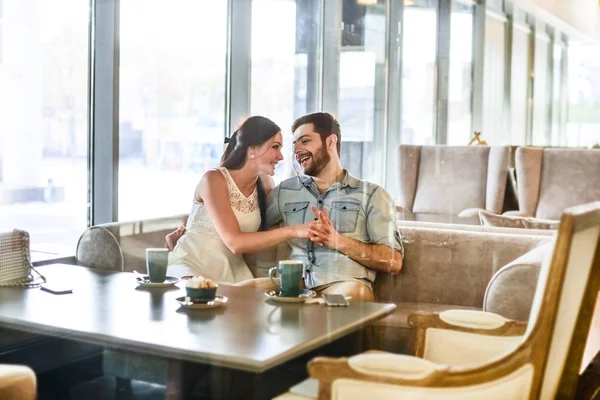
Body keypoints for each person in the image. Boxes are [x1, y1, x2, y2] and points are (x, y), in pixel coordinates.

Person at [263, 112, 403, 300]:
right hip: (294, 285)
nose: (297, 150)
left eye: (304, 141)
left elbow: (393, 261)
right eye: (294, 144)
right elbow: (254, 229)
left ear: (330, 142)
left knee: (340, 302)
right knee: (240, 292)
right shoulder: (283, 192)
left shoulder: (372, 195)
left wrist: (337, 240)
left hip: (345, 286)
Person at [166, 116, 312, 283]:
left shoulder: (265, 184)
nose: (281, 156)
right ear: (252, 149)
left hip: (233, 273)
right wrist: (294, 231)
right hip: (191, 266)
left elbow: (284, 212)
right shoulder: (213, 179)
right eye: (275, 147)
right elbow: (235, 242)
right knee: (200, 293)